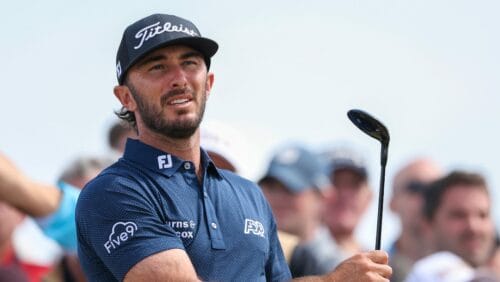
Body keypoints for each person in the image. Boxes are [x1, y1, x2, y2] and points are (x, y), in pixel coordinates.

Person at [75, 13, 392, 281]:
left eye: (190, 63)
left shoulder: (249, 194)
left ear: (208, 83)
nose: (179, 78)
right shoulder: (113, 192)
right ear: (125, 97)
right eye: (157, 67)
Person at [258, 144, 343, 277]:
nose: (278, 198)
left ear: (322, 198)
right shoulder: (247, 254)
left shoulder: (339, 268)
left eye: (290, 189)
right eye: (271, 187)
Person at [406, 171, 497, 281]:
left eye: (483, 215)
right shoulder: (424, 274)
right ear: (428, 224)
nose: (473, 227)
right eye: (459, 215)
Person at [387, 158, 443, 282]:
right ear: (392, 204)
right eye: (416, 187)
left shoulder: (470, 269)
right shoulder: (370, 269)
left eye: (435, 190)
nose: (427, 196)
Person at [321, 147, 373, 256]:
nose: (344, 194)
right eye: (334, 182)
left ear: (369, 197)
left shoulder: (386, 266)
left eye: (353, 185)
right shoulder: (284, 258)